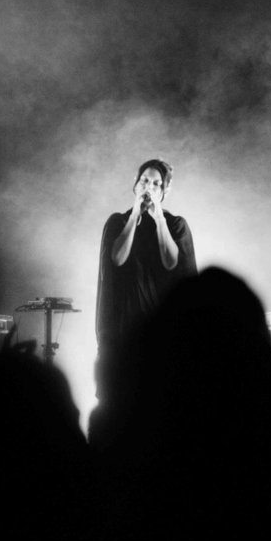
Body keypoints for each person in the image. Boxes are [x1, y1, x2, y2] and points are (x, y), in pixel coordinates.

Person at [94, 158, 197, 412]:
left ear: (164, 191)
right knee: (120, 408)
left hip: (161, 338)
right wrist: (134, 217)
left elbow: (172, 261)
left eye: (156, 184)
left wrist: (158, 217)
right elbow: (117, 258)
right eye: (144, 181)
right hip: (123, 334)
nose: (149, 187)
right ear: (135, 184)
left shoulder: (175, 225)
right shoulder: (117, 223)